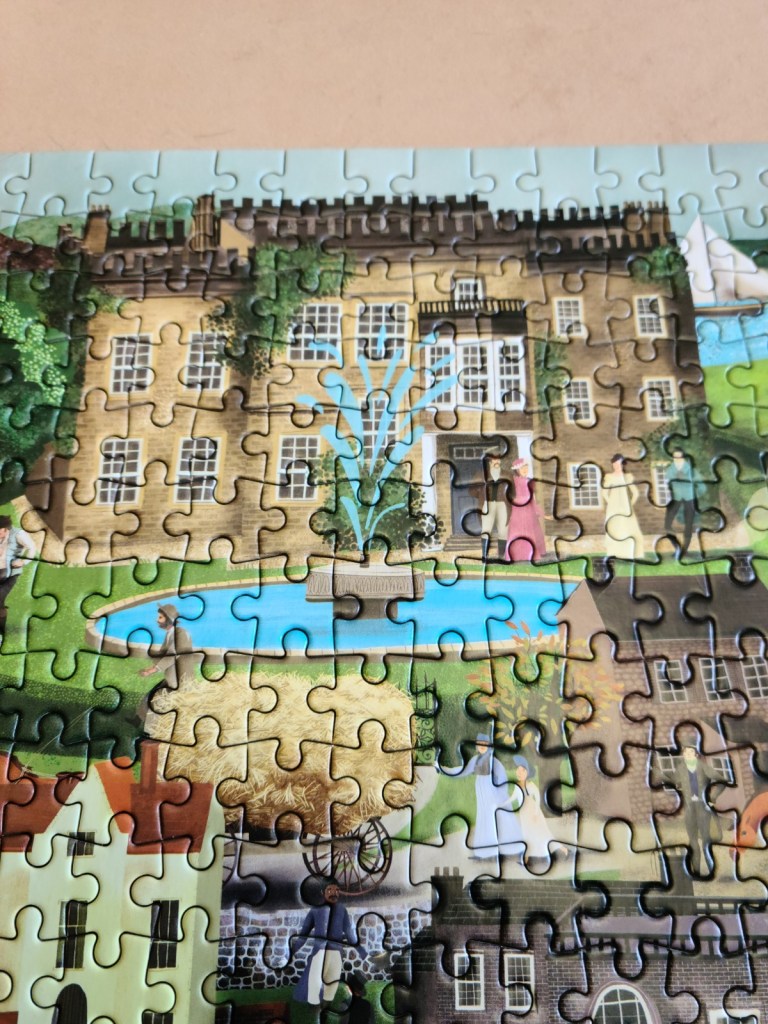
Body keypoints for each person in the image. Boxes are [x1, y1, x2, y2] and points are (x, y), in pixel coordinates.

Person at [441, 734, 524, 859]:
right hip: (482, 792)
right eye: (480, 744)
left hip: (494, 794)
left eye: (485, 744)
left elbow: (503, 780)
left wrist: (500, 797)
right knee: (484, 819)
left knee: (498, 819)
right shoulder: (475, 759)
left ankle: (512, 850)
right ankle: (484, 852)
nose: (482, 746)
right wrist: (445, 770)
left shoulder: (494, 761)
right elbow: (463, 771)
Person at [293, 881, 367, 1010]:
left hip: (336, 953)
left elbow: (349, 932)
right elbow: (303, 934)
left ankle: (326, 1009)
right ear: (323, 892)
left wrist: (362, 952)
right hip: (319, 952)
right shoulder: (315, 910)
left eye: (337, 890)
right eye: (330, 890)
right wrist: (292, 951)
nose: (334, 893)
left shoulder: (342, 910)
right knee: (315, 983)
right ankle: (314, 1010)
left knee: (331, 983)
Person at [672, 745, 724, 875]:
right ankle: (696, 871)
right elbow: (674, 782)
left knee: (706, 839)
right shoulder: (680, 769)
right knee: (692, 840)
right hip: (689, 808)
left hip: (702, 807)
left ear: (696, 754)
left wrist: (712, 798)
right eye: (685, 752)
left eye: (691, 752)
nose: (688, 754)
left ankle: (711, 871)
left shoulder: (703, 767)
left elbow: (722, 781)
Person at [513, 756, 568, 865]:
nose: (519, 772)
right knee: (526, 834)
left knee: (543, 834)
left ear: (527, 773)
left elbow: (537, 798)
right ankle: (526, 859)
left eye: (522, 770)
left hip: (532, 812)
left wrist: (535, 813)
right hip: (523, 813)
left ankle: (563, 849)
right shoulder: (517, 785)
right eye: (518, 770)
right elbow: (513, 797)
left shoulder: (531, 785)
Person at [139, 603, 196, 690]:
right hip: (172, 679)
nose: (157, 620)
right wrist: (152, 667)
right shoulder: (170, 633)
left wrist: (153, 670)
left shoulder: (181, 633)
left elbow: (172, 655)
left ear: (169, 619)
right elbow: (162, 653)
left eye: (160, 617)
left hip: (181, 680)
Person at [601, 454, 644, 560]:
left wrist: (630, 504)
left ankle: (628, 553)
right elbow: (604, 492)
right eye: (614, 464)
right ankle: (614, 553)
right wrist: (611, 503)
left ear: (623, 464)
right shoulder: (610, 477)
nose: (616, 466)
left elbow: (635, 493)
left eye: (619, 463)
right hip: (613, 508)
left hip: (625, 507)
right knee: (613, 527)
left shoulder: (627, 477)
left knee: (627, 527)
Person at [0, 515, 37, 637]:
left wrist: (23, 562)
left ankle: (1, 631)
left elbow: (32, 547)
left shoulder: (18, 534)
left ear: (5, 529)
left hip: (11, 573)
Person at [504, 458, 547, 563]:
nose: (525, 470)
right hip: (517, 510)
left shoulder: (530, 481)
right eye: (522, 468)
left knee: (531, 530)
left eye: (526, 467)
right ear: (517, 470)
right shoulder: (512, 481)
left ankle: (531, 553)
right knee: (517, 531)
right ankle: (515, 554)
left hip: (528, 510)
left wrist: (541, 513)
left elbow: (532, 500)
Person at [664, 449, 705, 557]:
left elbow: (702, 487)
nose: (677, 459)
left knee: (688, 525)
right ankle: (678, 548)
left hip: (689, 500)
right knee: (667, 525)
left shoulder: (691, 470)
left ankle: (684, 550)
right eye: (674, 457)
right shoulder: (670, 470)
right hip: (675, 500)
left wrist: (693, 495)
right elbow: (668, 486)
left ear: (683, 457)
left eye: (679, 456)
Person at [480, 454, 511, 562]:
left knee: (503, 530)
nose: (496, 461)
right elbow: (472, 490)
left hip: (502, 504)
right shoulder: (483, 474)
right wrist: (482, 494)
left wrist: (507, 497)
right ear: (490, 462)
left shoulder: (507, 474)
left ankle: (501, 556)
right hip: (488, 504)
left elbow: (513, 491)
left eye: (498, 459)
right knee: (486, 530)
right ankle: (484, 555)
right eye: (494, 460)